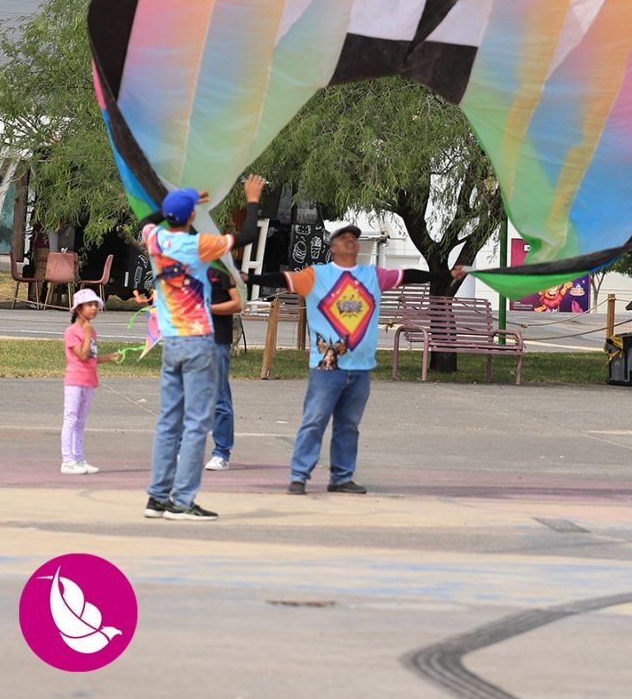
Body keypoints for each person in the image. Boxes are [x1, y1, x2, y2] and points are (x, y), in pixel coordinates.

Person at [249, 225, 464, 494]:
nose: (350, 240)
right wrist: (250, 279)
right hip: (327, 367)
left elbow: (408, 275)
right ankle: (299, 475)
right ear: (332, 247)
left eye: (354, 237)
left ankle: (341, 477)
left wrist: (444, 274)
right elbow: (282, 279)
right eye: (343, 237)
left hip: (361, 368)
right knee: (315, 420)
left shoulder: (373, 275)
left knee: (348, 425)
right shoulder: (317, 275)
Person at [142, 174, 265, 521]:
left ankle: (157, 498)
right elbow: (246, 236)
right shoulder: (198, 246)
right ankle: (182, 501)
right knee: (197, 423)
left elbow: (147, 221)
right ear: (192, 217)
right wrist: (252, 199)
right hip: (198, 340)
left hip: (172, 342)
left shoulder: (155, 240)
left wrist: (181, 201)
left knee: (169, 422)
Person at [61, 289, 122, 474]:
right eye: (90, 305)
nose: (94, 308)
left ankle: (78, 458)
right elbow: (81, 354)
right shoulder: (72, 332)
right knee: (71, 419)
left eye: (96, 305)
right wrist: (87, 334)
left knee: (80, 421)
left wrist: (110, 357)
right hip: (74, 380)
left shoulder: (91, 331)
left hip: (88, 380)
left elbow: (92, 358)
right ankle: (67, 460)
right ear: (79, 309)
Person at [204, 264, 242, 471]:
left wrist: (207, 308)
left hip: (216, 339)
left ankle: (221, 452)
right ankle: (184, 447)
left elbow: (237, 303)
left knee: (219, 396)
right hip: (190, 339)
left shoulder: (222, 270)